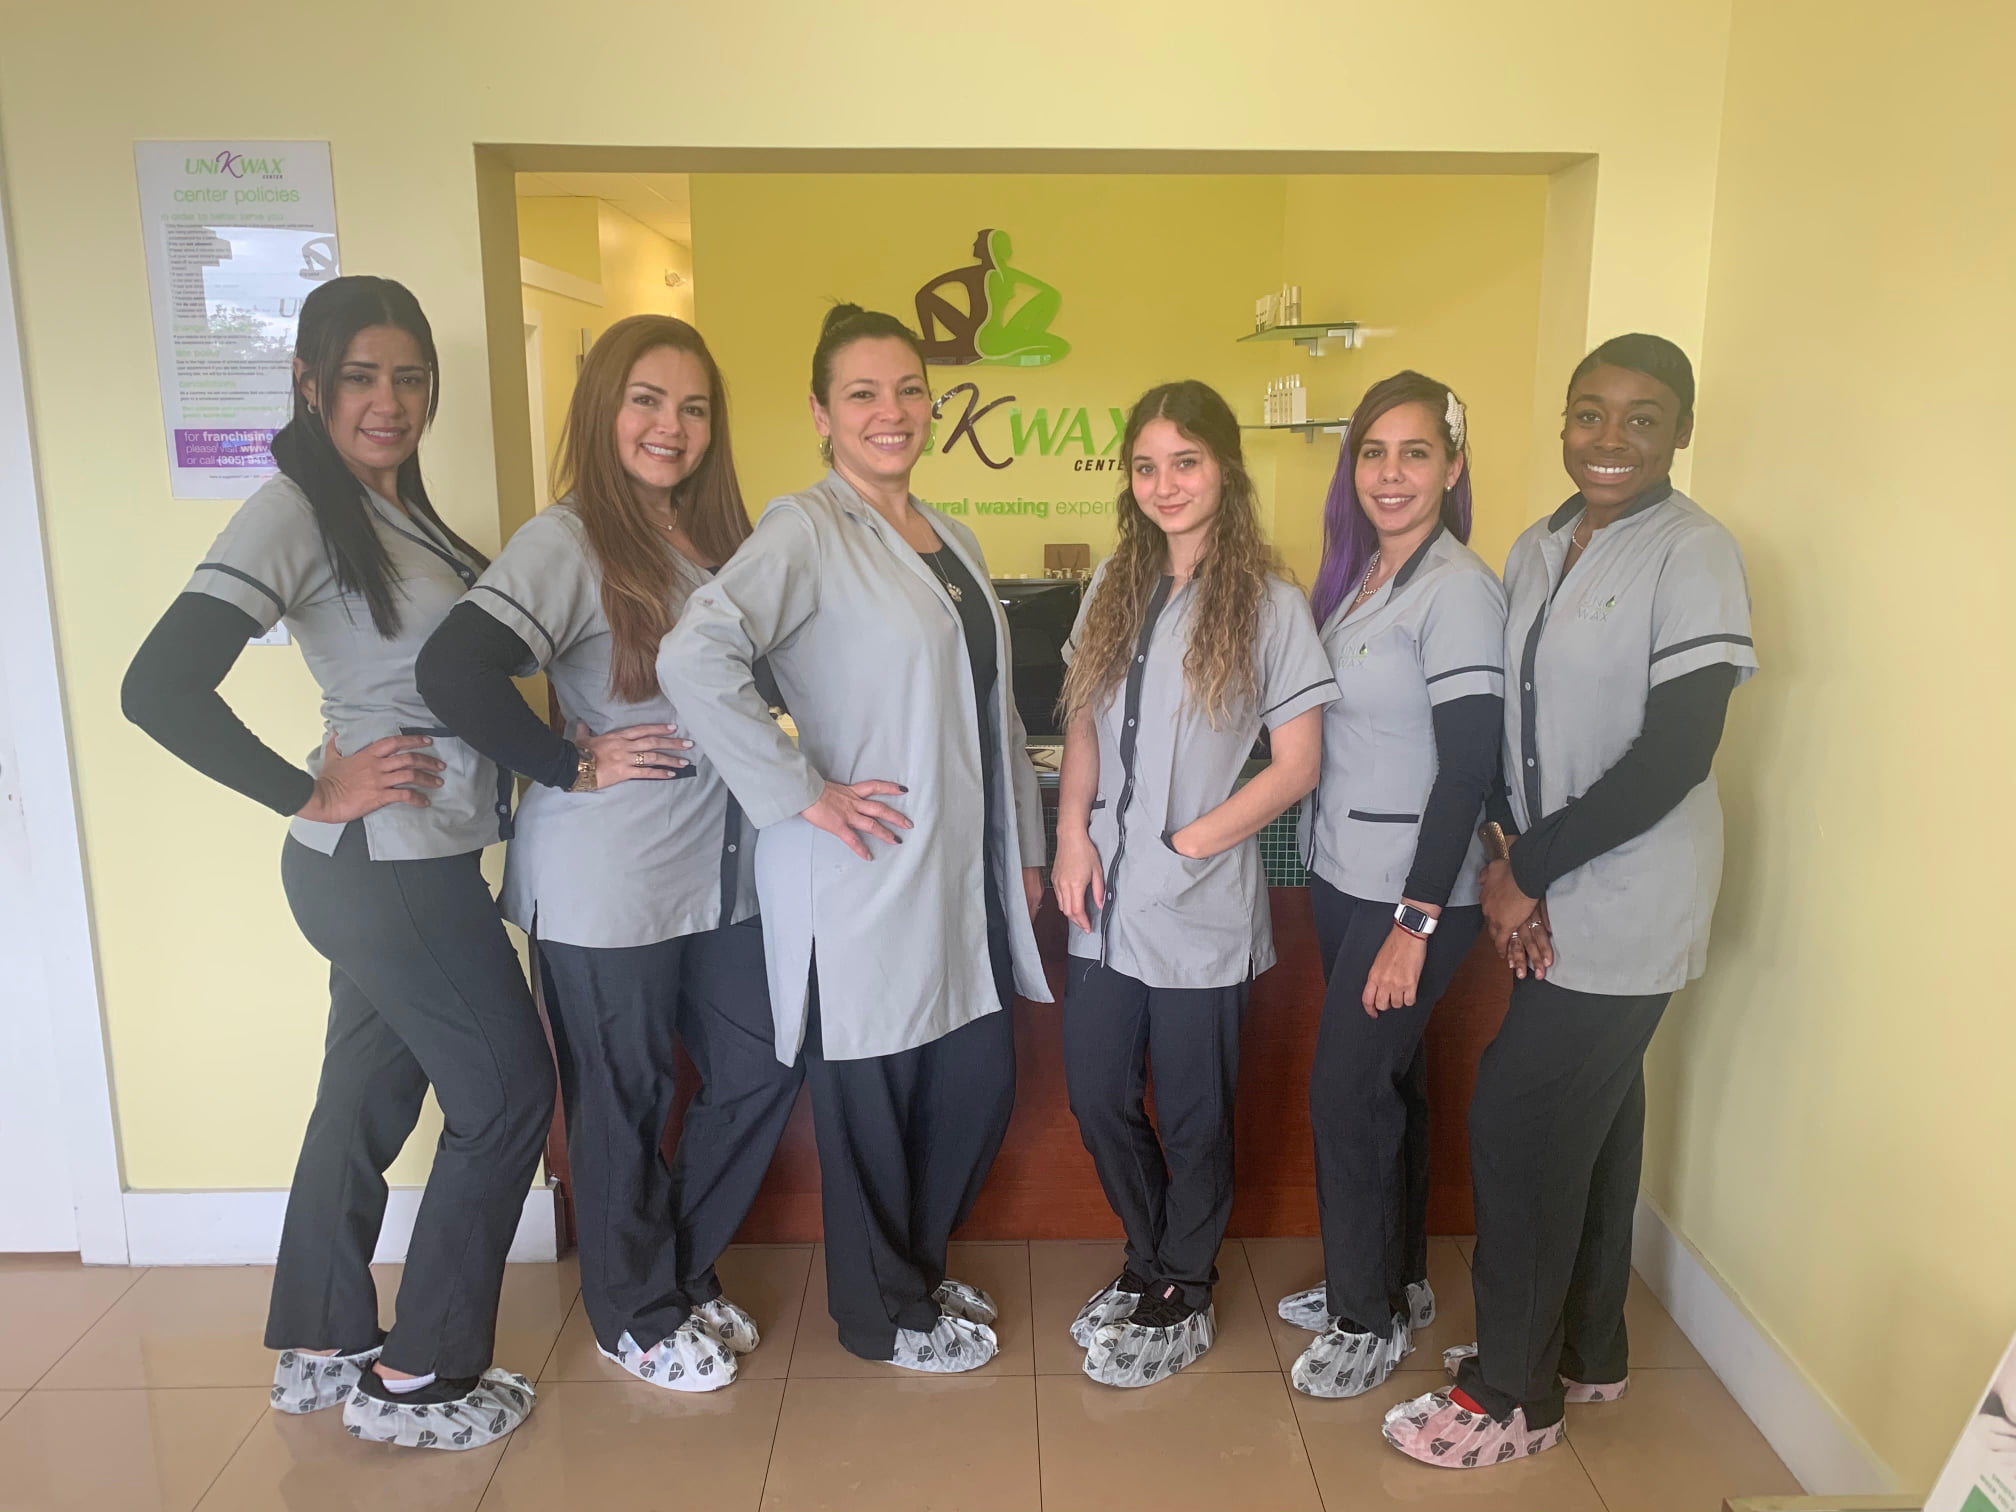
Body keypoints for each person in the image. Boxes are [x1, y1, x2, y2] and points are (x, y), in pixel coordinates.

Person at [121, 275, 549, 1451]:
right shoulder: (295, 511)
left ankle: (320, 1344)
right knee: (508, 1093)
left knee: (365, 1098)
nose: (389, 400)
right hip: (384, 866)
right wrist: (310, 787)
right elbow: (158, 687)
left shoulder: (393, 511)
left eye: (409, 377)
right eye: (361, 376)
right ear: (308, 385)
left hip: (394, 867)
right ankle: (420, 1378)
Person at [1383, 334, 1757, 1467]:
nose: (1610, 439)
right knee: (1596, 1123)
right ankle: (1586, 1349)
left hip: (1631, 898)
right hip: (1545, 888)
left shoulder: (1695, 552)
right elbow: (1517, 729)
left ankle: (1513, 1394)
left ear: (1682, 430)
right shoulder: (1539, 545)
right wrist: (1513, 861)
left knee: (1519, 1120)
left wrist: (1524, 873)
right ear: (1562, 423)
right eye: (1590, 413)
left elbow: (1677, 753)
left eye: (1643, 418)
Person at [656, 304, 1051, 1373]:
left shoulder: (951, 537)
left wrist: (1024, 847)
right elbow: (694, 657)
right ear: (822, 413)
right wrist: (802, 791)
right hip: (861, 873)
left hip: (958, 876)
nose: (892, 411)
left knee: (971, 1089)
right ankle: (883, 1315)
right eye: (863, 393)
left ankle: (913, 1268)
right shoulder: (805, 528)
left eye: (909, 389)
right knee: (872, 1103)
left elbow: (998, 711)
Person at [414, 315, 801, 1393]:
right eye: (646, 400)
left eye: (693, 407)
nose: (671, 425)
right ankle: (633, 1316)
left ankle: (672, 1268)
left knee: (764, 1064)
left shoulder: (719, 539)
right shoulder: (569, 540)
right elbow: (455, 668)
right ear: (602, 410)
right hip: (608, 887)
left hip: (721, 880)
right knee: (624, 1099)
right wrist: (569, 761)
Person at [1051, 380, 1338, 1388]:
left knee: (1194, 1112)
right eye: (1146, 466)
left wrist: (1185, 845)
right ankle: (1150, 1256)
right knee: (1095, 1093)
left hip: (1198, 901)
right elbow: (1082, 723)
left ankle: (1184, 1282)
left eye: (1186, 462)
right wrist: (1072, 836)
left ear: (1225, 469)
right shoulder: (1113, 585)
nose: (1165, 484)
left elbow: (1297, 766)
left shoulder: (1269, 604)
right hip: (1102, 898)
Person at [1273, 372, 1506, 1399]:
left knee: (1346, 1090)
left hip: (1408, 892)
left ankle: (1363, 1320)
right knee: (1389, 1083)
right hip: (1344, 871)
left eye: (1416, 452)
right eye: (1374, 452)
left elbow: (1467, 770)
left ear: (1453, 468)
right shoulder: (1367, 575)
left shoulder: (1459, 590)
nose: (1392, 473)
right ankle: (1394, 1279)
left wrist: (1415, 922)